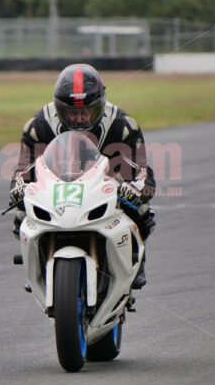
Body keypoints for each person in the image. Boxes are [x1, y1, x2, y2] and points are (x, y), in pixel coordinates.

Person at [9, 63, 156, 289]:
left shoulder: (122, 126)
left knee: (143, 211)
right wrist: (18, 187)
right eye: (72, 112)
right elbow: (23, 171)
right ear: (59, 109)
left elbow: (142, 173)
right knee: (20, 213)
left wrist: (133, 189)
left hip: (105, 188)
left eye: (85, 111)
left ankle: (136, 260)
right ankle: (36, 265)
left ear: (99, 107)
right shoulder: (38, 127)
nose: (79, 119)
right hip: (56, 189)